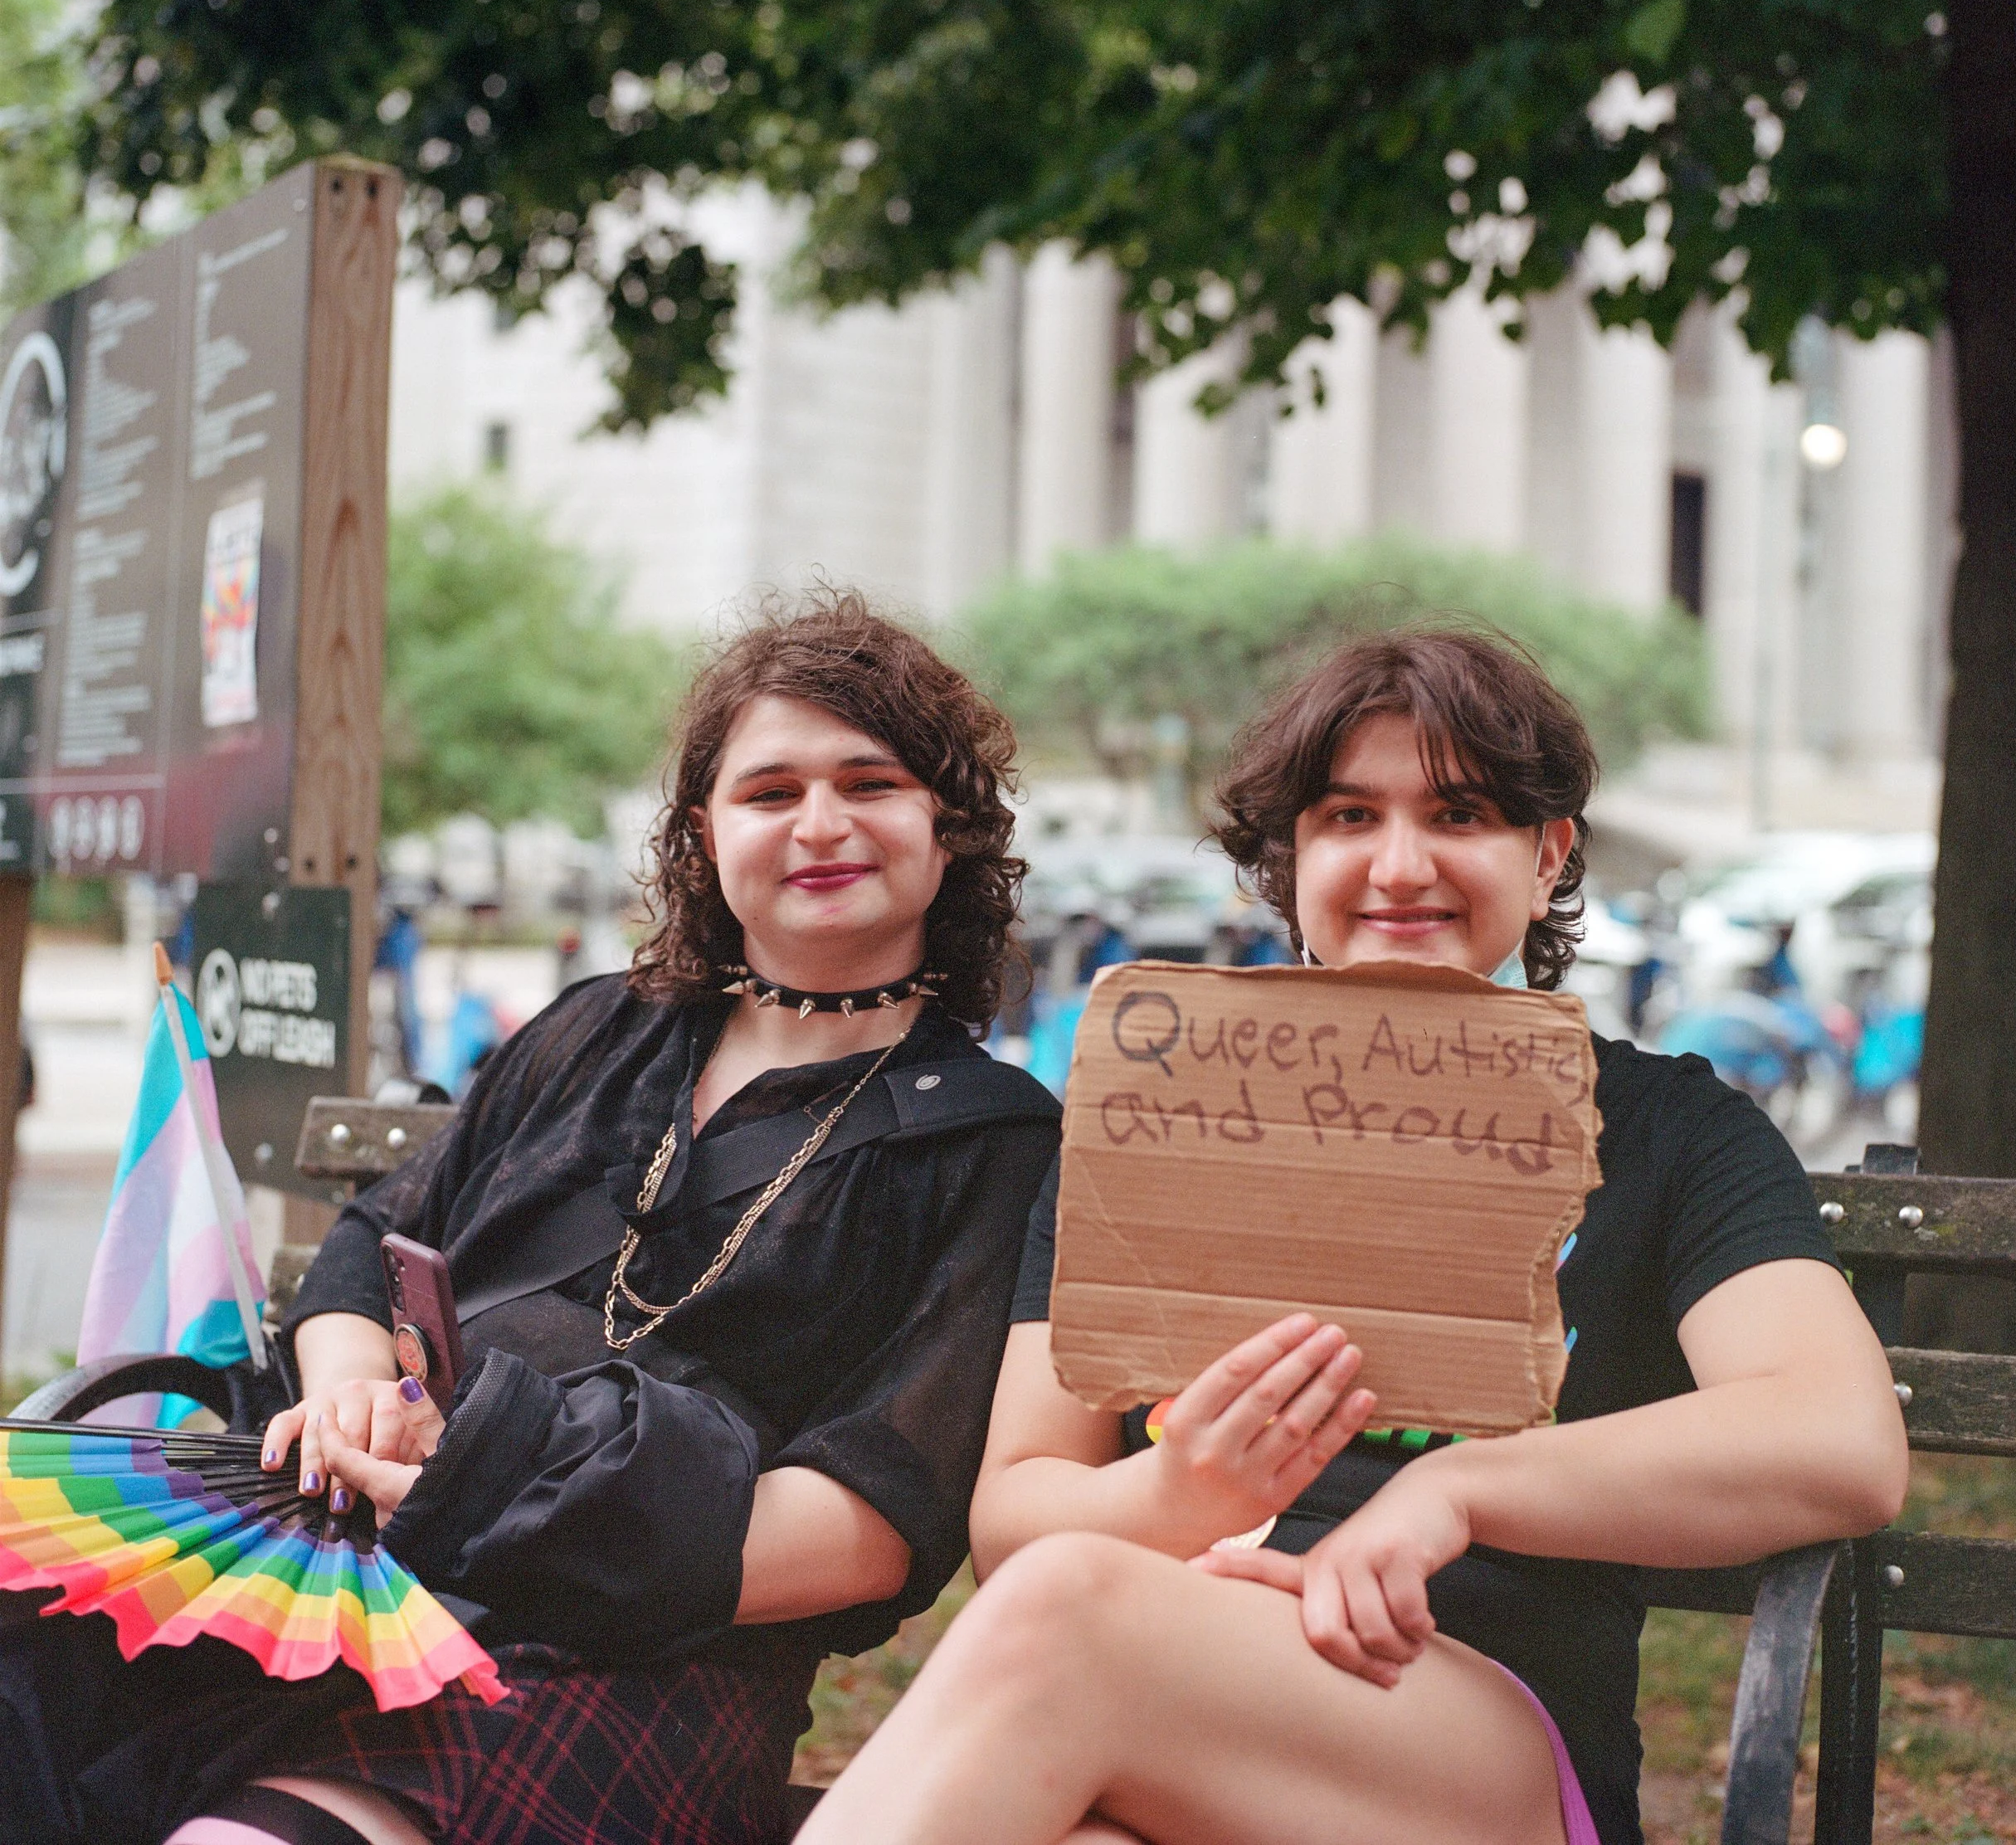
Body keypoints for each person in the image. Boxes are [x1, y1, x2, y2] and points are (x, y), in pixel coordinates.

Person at [800, 626, 1907, 1845]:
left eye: (1460, 812)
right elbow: (1018, 1514)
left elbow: (1839, 1439)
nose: (1400, 863)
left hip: (1476, 1743)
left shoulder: (1664, 1128)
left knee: (1069, 1608)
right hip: (1165, 1708)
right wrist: (1181, 1494)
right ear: (1289, 864)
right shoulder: (1147, 1128)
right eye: (1346, 817)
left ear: (1547, 858)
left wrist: (1457, 1487)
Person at [0, 595, 1059, 1845]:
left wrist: (492, 1490)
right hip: (344, 1579)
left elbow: (874, 1527)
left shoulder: (988, 1138)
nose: (820, 823)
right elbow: (365, 1249)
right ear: (705, 832)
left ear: (948, 826)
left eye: (868, 781)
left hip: (637, 1670)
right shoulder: (595, 1031)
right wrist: (345, 1398)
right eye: (770, 790)